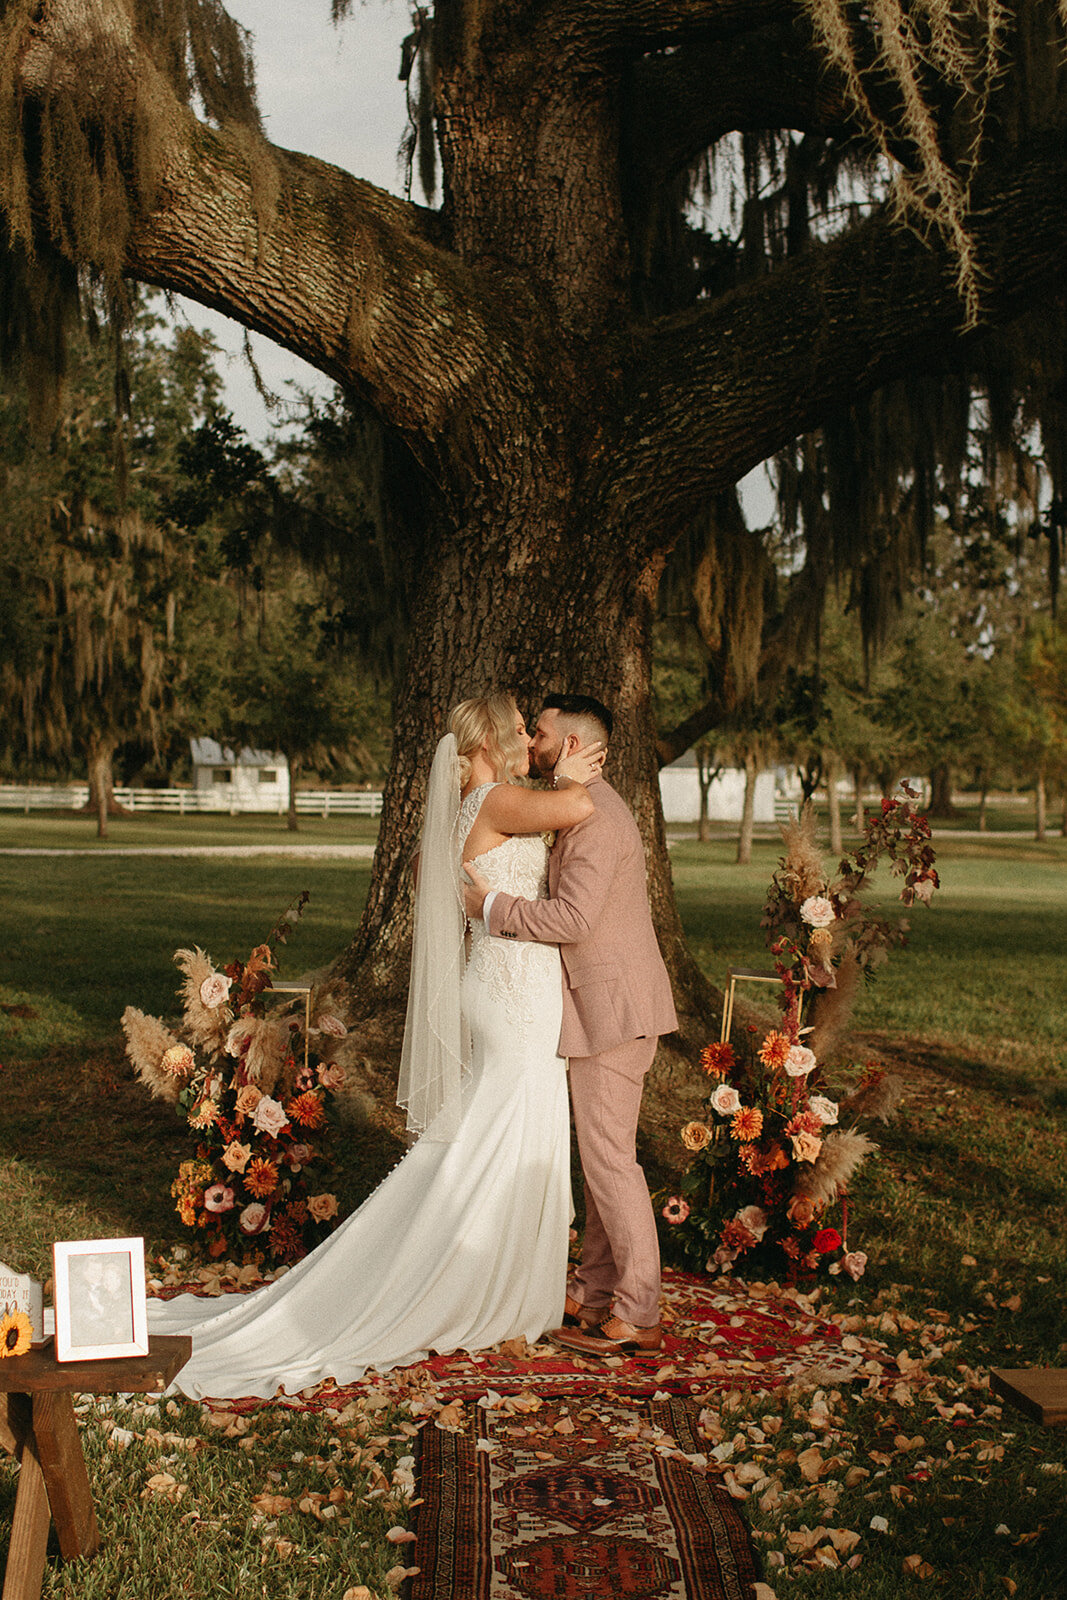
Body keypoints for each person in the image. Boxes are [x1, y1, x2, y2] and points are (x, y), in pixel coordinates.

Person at [148, 694, 603, 1400]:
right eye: (515, 726)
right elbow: (576, 807)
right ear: (485, 738)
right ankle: (473, 1278)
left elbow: (431, 866)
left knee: (498, 1130)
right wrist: (574, 766)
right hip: (515, 992)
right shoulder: (496, 799)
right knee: (505, 1130)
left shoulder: (473, 806)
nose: (524, 735)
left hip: (507, 981)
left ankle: (497, 1272)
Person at [462, 693, 677, 1356]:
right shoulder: (573, 809)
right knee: (601, 1163)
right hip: (596, 1009)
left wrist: (493, 908)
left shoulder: (596, 817)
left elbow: (574, 921)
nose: (533, 743)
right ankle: (590, 1291)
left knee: (610, 1162)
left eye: (543, 733)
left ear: (575, 744)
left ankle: (640, 1310)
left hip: (613, 1010)